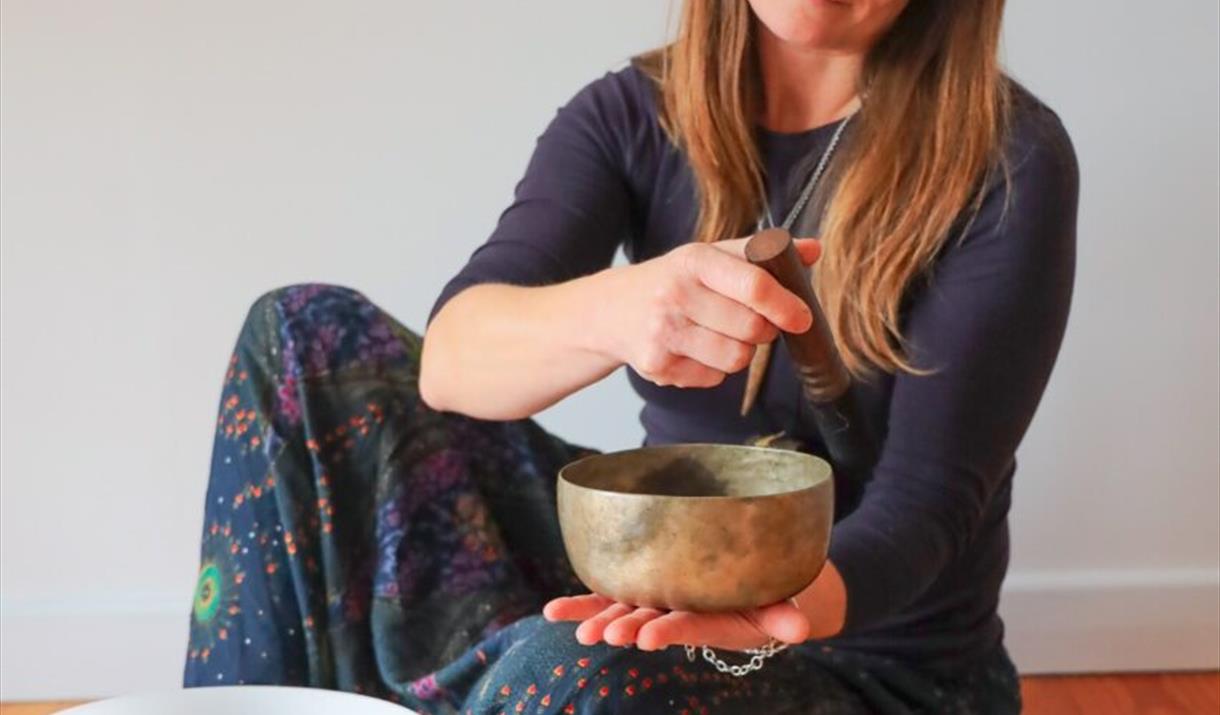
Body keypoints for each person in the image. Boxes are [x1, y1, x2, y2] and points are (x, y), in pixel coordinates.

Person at [183, 0, 1077, 712]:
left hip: (873, 673)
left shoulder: (1008, 159)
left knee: (573, 664)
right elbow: (452, 362)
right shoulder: (628, 115)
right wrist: (621, 310)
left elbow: (924, 511)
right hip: (661, 590)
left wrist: (757, 613)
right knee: (301, 334)